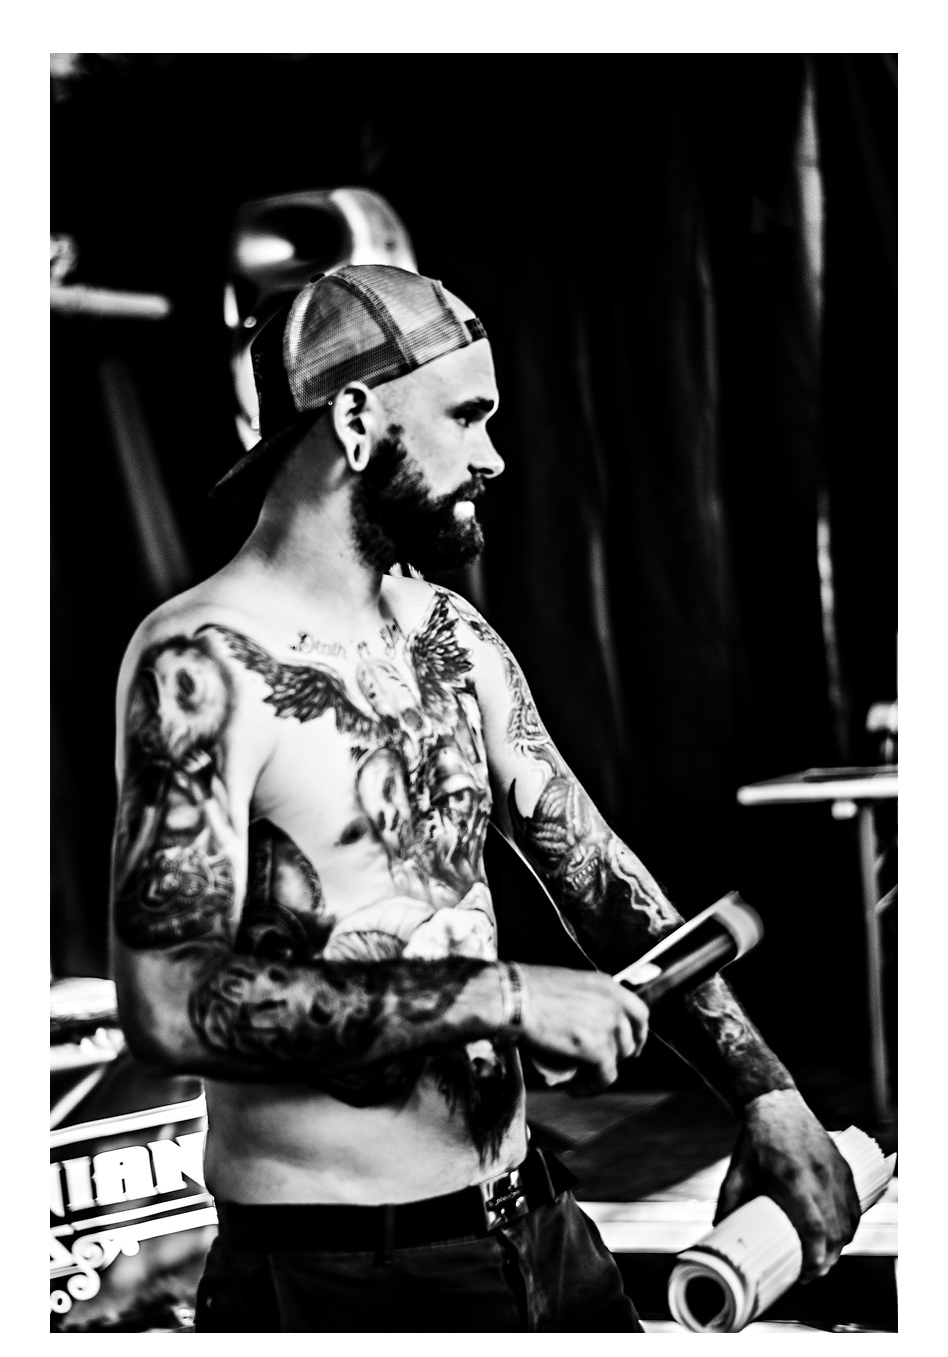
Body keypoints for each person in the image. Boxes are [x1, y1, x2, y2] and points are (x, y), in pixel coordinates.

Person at [110, 265, 860, 1333]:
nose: (495, 455)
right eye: (467, 417)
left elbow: (596, 876)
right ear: (357, 420)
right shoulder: (202, 662)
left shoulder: (450, 636)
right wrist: (502, 995)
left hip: (537, 1230)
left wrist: (765, 1092)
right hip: (341, 1281)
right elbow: (167, 1001)